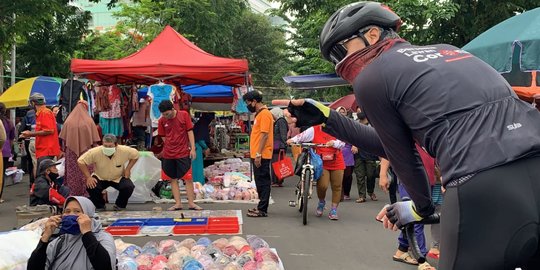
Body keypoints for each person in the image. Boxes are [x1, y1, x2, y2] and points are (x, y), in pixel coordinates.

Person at [275, 2, 540, 269]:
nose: (338, 62)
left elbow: (404, 158)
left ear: (372, 35)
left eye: (339, 50)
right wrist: (328, 118)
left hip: (481, 181)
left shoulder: (373, 77)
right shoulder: (450, 51)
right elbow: (392, 144)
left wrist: (420, 209)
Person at [27, 196, 116, 270]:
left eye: (77, 211)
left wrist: (87, 234)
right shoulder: (60, 241)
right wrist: (45, 237)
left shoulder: (102, 238)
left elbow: (106, 266)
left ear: (89, 216)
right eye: (67, 211)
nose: (71, 215)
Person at [288, 125, 346, 220]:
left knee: (337, 186)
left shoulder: (337, 128)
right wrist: (292, 140)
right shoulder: (314, 129)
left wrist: (334, 143)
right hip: (321, 162)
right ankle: (321, 202)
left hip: (337, 161)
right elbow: (302, 136)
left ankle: (334, 210)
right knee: (322, 185)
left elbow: (343, 142)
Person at [157, 100, 202, 211]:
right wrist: (170, 144)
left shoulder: (184, 115)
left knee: (188, 178)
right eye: (163, 114)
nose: (165, 116)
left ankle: (191, 203)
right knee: (172, 179)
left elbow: (190, 131)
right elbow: (163, 136)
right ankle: (178, 203)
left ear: (173, 109)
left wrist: (192, 148)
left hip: (183, 152)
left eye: (167, 114)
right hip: (168, 154)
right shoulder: (162, 121)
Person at [78, 134, 138, 211]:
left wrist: (128, 169)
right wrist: (88, 177)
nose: (107, 148)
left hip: (118, 177)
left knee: (129, 186)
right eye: (105, 146)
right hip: (100, 177)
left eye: (110, 146)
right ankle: (100, 206)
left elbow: (136, 155)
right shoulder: (95, 151)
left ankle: (120, 205)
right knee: (91, 186)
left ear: (116, 145)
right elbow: (80, 161)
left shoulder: (124, 150)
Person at [59, 101, 101, 196]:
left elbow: (63, 140)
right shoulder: (89, 121)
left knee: (73, 175)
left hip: (71, 153)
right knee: (86, 173)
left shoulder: (68, 121)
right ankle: (87, 194)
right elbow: (94, 141)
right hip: (87, 153)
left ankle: (73, 194)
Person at [243, 91, 274, 218]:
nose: (248, 105)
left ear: (254, 101)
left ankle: (262, 209)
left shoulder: (265, 114)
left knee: (263, 182)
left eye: (248, 102)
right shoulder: (260, 114)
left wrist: (258, 154)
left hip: (262, 154)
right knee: (260, 181)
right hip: (258, 153)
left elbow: (264, 135)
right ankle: (261, 206)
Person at [20, 93, 61, 175]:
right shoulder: (42, 113)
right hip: (43, 150)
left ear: (33, 103)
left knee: (43, 176)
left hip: (47, 150)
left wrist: (30, 134)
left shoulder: (45, 113)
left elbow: (50, 130)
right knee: (41, 174)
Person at [351, 112, 378, 203]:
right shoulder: (355, 124)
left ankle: (370, 191)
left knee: (371, 175)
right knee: (360, 176)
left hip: (370, 154)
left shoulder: (373, 125)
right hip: (359, 155)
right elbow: (351, 137)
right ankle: (362, 196)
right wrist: (354, 145)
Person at [336, 107, 355, 201]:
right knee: (338, 175)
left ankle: (346, 192)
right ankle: (339, 193)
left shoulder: (349, 124)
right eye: (340, 112)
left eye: (343, 112)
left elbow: (355, 135)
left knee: (347, 175)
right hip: (337, 151)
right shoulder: (334, 124)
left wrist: (355, 145)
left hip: (348, 152)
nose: (342, 113)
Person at [192, 112, 214, 185]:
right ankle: (198, 183)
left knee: (196, 167)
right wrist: (206, 147)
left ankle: (196, 183)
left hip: (195, 147)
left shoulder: (199, 124)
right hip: (197, 148)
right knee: (198, 168)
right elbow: (200, 139)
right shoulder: (202, 125)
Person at [270, 107, 289, 187]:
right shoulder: (279, 121)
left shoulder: (281, 121)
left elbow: (283, 134)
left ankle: (277, 180)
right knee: (276, 163)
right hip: (277, 145)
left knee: (277, 163)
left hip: (279, 146)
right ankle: (276, 180)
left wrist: (283, 145)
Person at [0, 103, 14, 203]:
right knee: (1, 174)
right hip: (5, 150)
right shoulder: (8, 122)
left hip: (2, 149)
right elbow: (11, 138)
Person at [19, 109, 36, 184]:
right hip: (40, 140)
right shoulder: (45, 113)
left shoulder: (28, 115)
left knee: (30, 162)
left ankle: (32, 182)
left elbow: (21, 129)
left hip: (28, 140)